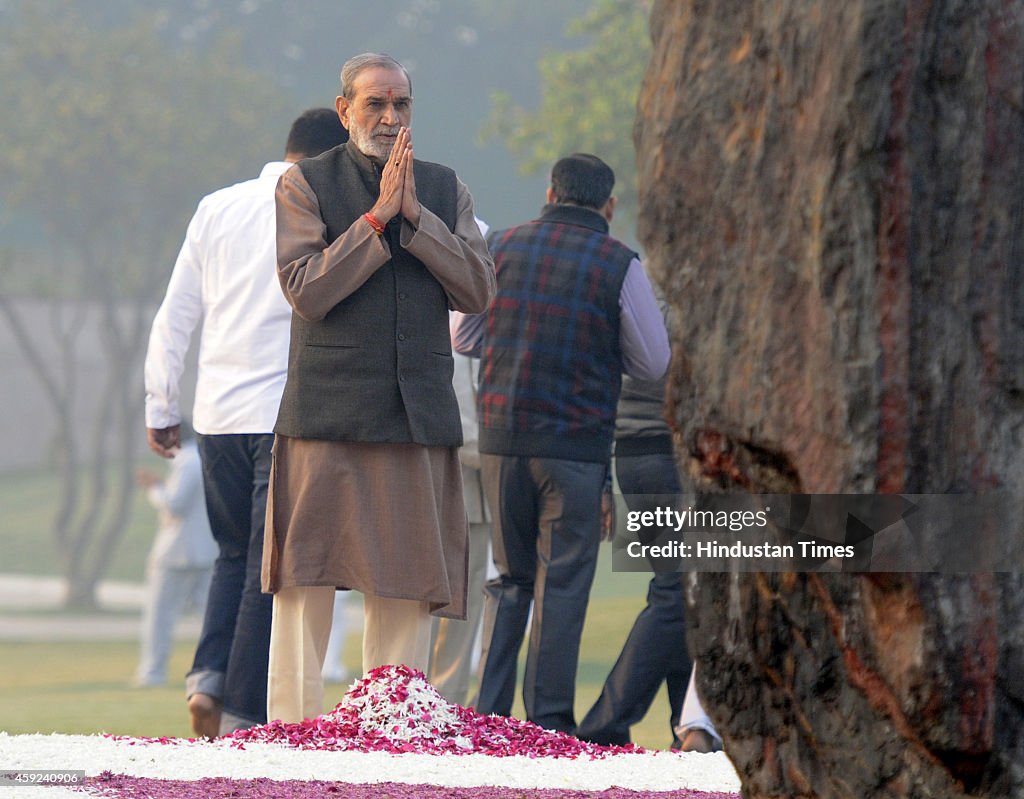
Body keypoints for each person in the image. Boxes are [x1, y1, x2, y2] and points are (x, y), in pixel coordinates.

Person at [263, 52, 495, 725]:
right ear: (345, 111)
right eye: (375, 104)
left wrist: (417, 223)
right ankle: (292, 733)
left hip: (414, 414)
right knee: (305, 578)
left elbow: (479, 289)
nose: (390, 118)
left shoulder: (445, 189)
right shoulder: (304, 185)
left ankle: (391, 732)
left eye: (401, 105)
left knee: (404, 580)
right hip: (325, 412)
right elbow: (307, 289)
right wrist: (373, 222)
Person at [144, 108, 349, 737]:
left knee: (234, 555)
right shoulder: (325, 211)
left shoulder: (217, 207)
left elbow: (176, 310)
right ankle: (240, 713)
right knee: (271, 567)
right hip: (287, 414)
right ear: (328, 158)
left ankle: (207, 678)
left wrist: (161, 405)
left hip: (217, 416)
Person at [452, 153, 670, 734]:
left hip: (501, 439)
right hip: (574, 449)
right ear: (610, 205)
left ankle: (488, 715)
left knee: (509, 577)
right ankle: (547, 721)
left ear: (549, 190)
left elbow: (463, 334)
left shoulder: (499, 245)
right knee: (563, 584)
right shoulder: (620, 264)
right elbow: (653, 362)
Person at [574, 367, 693, 747]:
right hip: (664, 452)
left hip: (639, 450)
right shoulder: (672, 307)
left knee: (686, 592)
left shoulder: (635, 303)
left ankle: (689, 727)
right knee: (676, 591)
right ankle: (605, 723)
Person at [427, 314, 492, 706]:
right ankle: (439, 700)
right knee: (450, 599)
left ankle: (442, 700)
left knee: (463, 600)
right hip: (457, 470)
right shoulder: (456, 313)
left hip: (473, 479)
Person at [134, 423, 217, 688]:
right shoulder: (205, 457)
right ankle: (212, 672)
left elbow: (174, 504)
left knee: (159, 616)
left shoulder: (187, 461)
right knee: (208, 616)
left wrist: (154, 488)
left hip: (177, 552)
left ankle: (153, 672)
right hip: (206, 550)